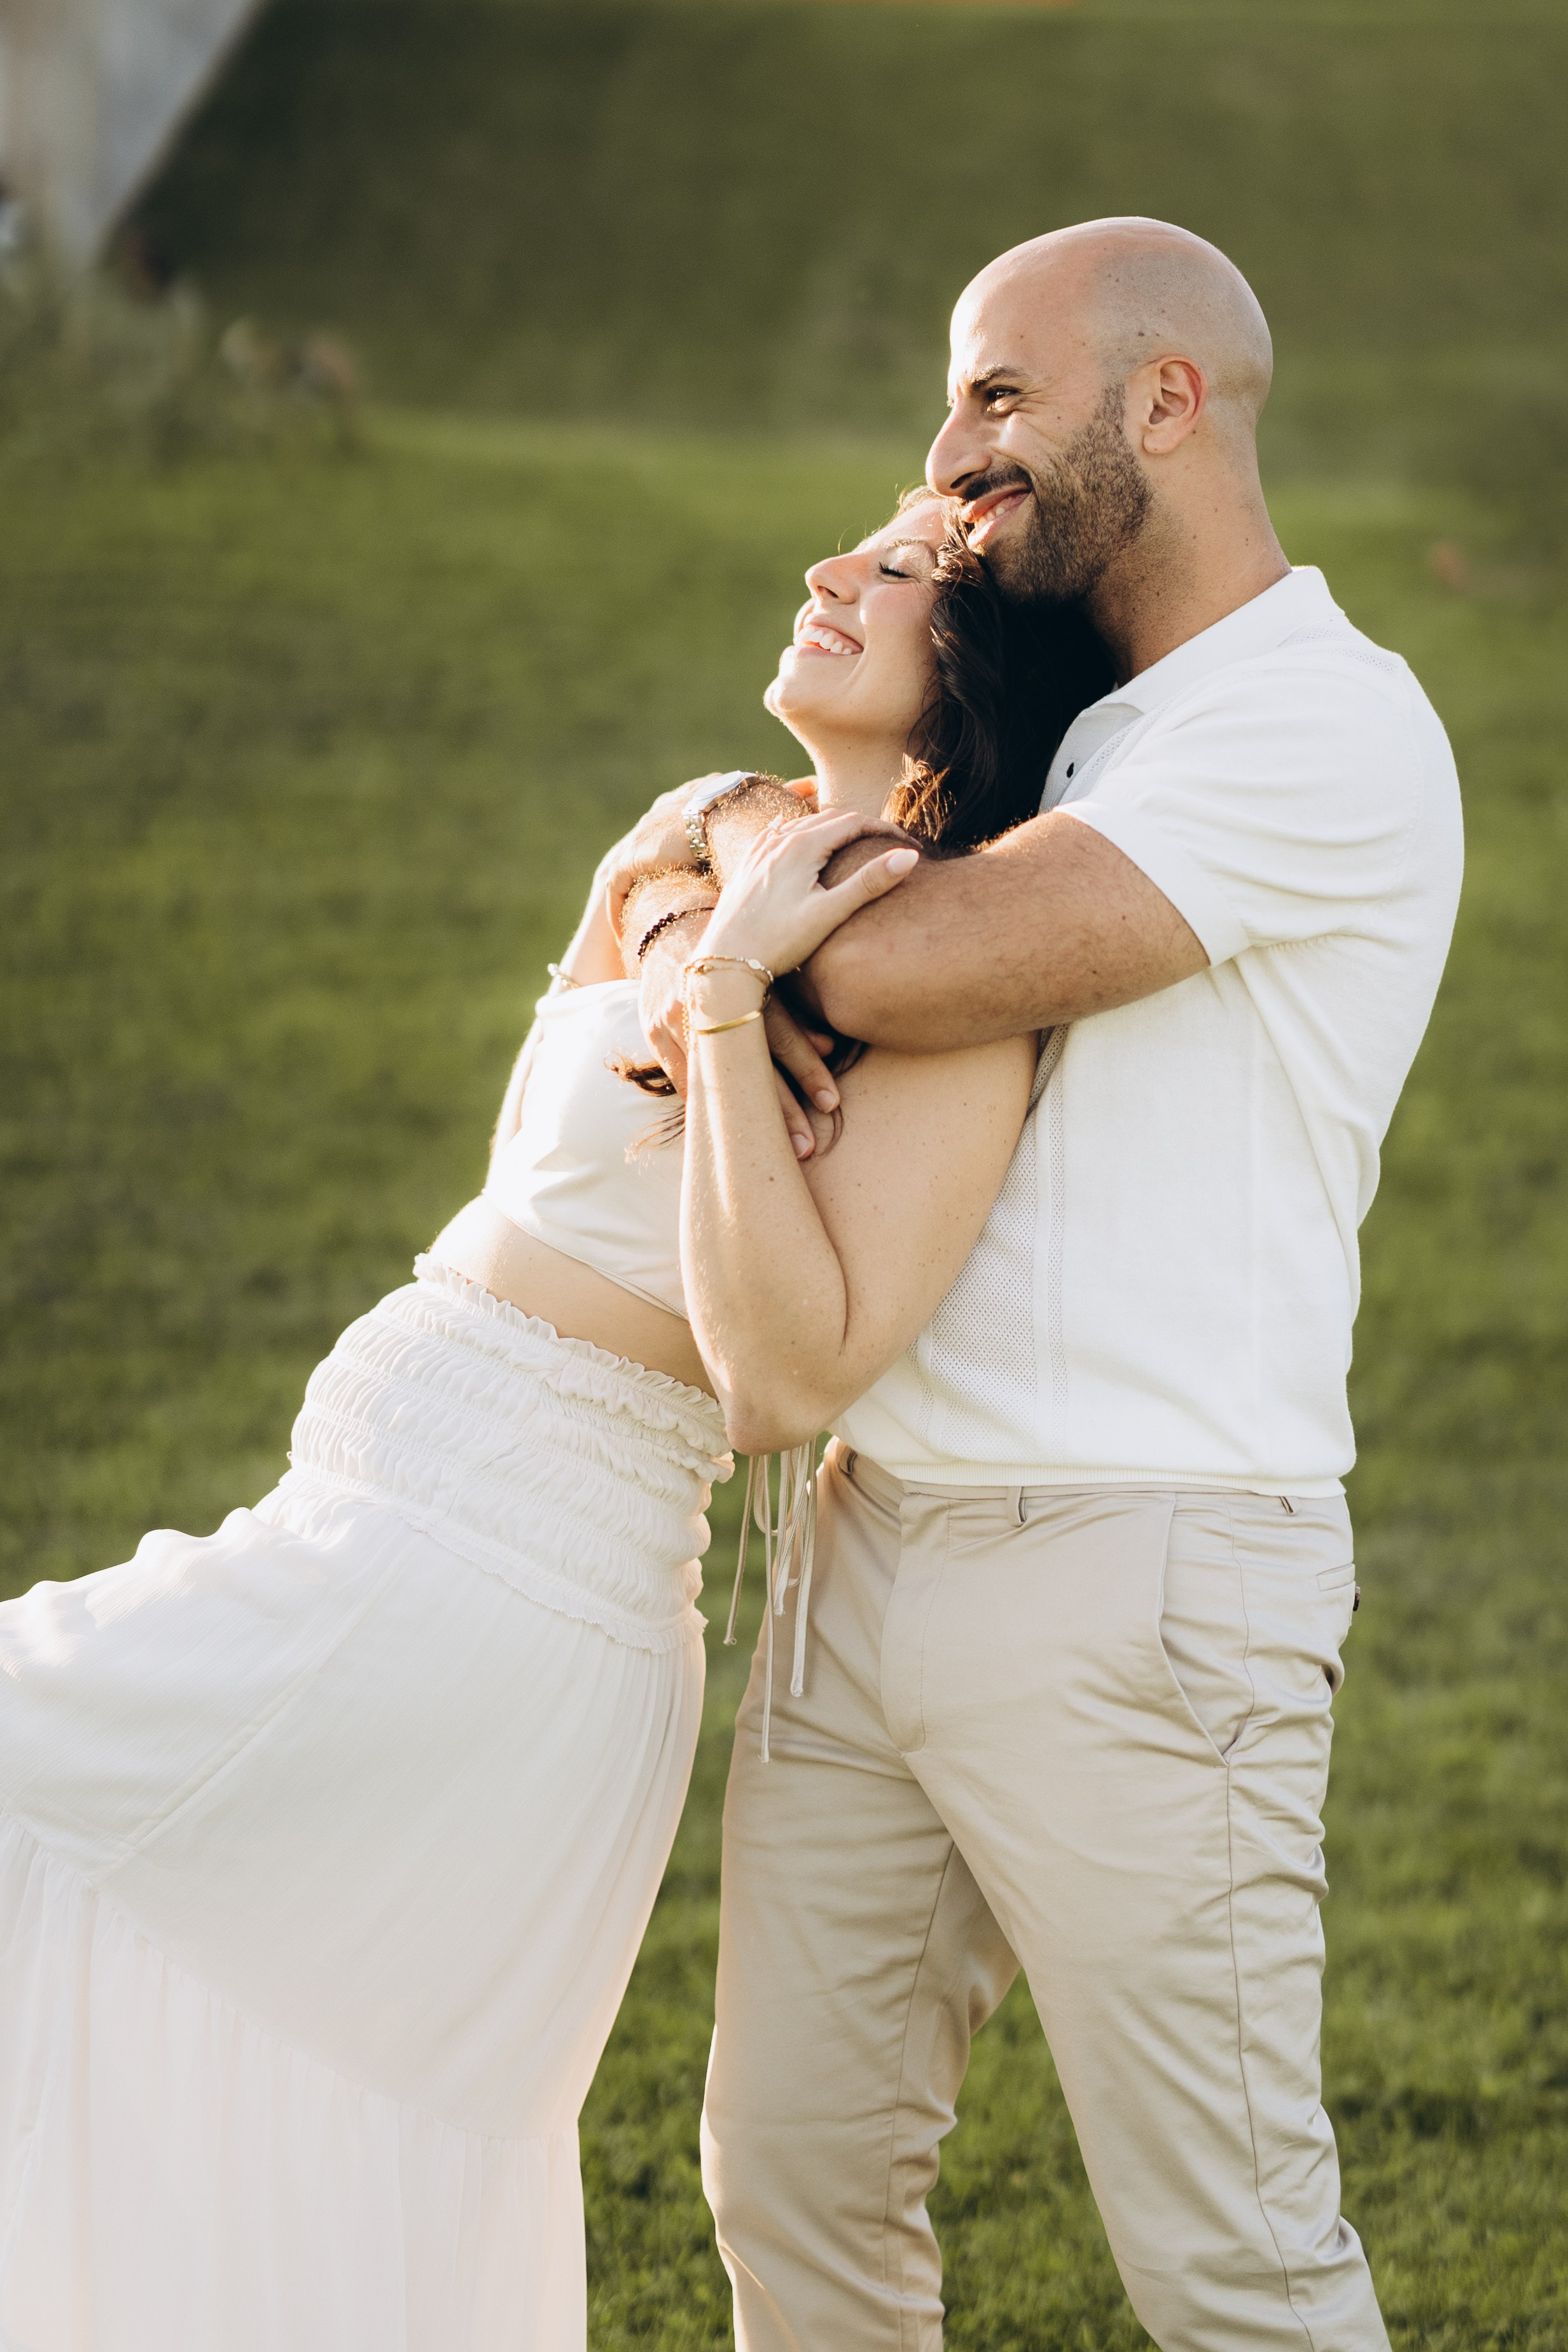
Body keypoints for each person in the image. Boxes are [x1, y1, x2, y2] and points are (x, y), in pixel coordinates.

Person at [0, 494, 1104, 2352]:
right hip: (369, 1531)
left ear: (977, 669)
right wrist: (715, 922)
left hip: (486, 1595)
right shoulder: (708, 824)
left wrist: (743, 1009)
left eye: (898, 573)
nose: (832, 571)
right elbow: (656, 872)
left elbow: (795, 1372)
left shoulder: (948, 993)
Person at [630, 218, 1464, 2352]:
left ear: (1165, 402)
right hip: (866, 1544)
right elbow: (853, 887)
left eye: (999, 395)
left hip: (1143, 1572)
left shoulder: (1317, 727)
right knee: (792, 2191)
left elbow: (901, 957)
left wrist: (711, 869)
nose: (949, 450)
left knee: (1231, 2260)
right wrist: (759, 846)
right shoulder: (1068, 725)